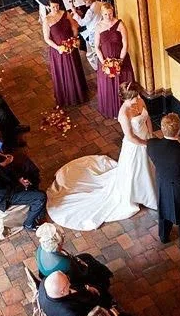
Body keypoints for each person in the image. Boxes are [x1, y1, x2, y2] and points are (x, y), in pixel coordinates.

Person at [46, 82, 157, 231]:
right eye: (133, 98)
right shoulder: (123, 114)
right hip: (135, 146)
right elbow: (130, 137)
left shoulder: (140, 100)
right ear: (125, 99)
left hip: (146, 138)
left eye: (137, 96)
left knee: (150, 166)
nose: (136, 99)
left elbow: (147, 118)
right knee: (135, 171)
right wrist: (146, 143)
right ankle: (138, 195)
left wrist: (151, 135)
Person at [146, 113, 180, 253]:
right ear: (178, 130)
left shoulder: (152, 145)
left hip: (162, 183)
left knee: (163, 209)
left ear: (163, 128)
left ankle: (164, 236)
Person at [34, 223, 112, 291]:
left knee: (86, 256)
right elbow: (80, 275)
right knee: (94, 269)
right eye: (62, 239)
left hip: (52, 274)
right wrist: (85, 267)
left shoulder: (42, 247)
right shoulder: (65, 264)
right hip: (71, 279)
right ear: (57, 245)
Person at [42, 0, 88, 107]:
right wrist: (58, 48)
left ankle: (79, 92)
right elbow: (47, 38)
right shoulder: (47, 20)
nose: (56, 8)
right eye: (53, 7)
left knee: (74, 68)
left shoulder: (65, 14)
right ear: (49, 7)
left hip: (70, 46)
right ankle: (68, 94)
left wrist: (74, 38)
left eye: (57, 6)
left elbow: (74, 27)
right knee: (65, 71)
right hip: (59, 51)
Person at [94, 3, 135, 118]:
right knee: (108, 85)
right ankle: (112, 110)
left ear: (113, 11)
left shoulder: (120, 24)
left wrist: (120, 61)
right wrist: (104, 63)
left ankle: (126, 110)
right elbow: (96, 46)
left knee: (123, 83)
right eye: (106, 14)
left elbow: (125, 43)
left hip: (121, 59)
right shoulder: (98, 27)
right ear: (102, 14)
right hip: (105, 60)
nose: (108, 16)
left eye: (110, 13)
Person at [70, 0, 106, 70]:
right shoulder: (101, 4)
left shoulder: (91, 10)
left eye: (85, 1)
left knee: (91, 54)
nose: (84, 2)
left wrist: (74, 12)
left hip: (93, 33)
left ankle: (98, 68)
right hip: (102, 30)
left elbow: (82, 23)